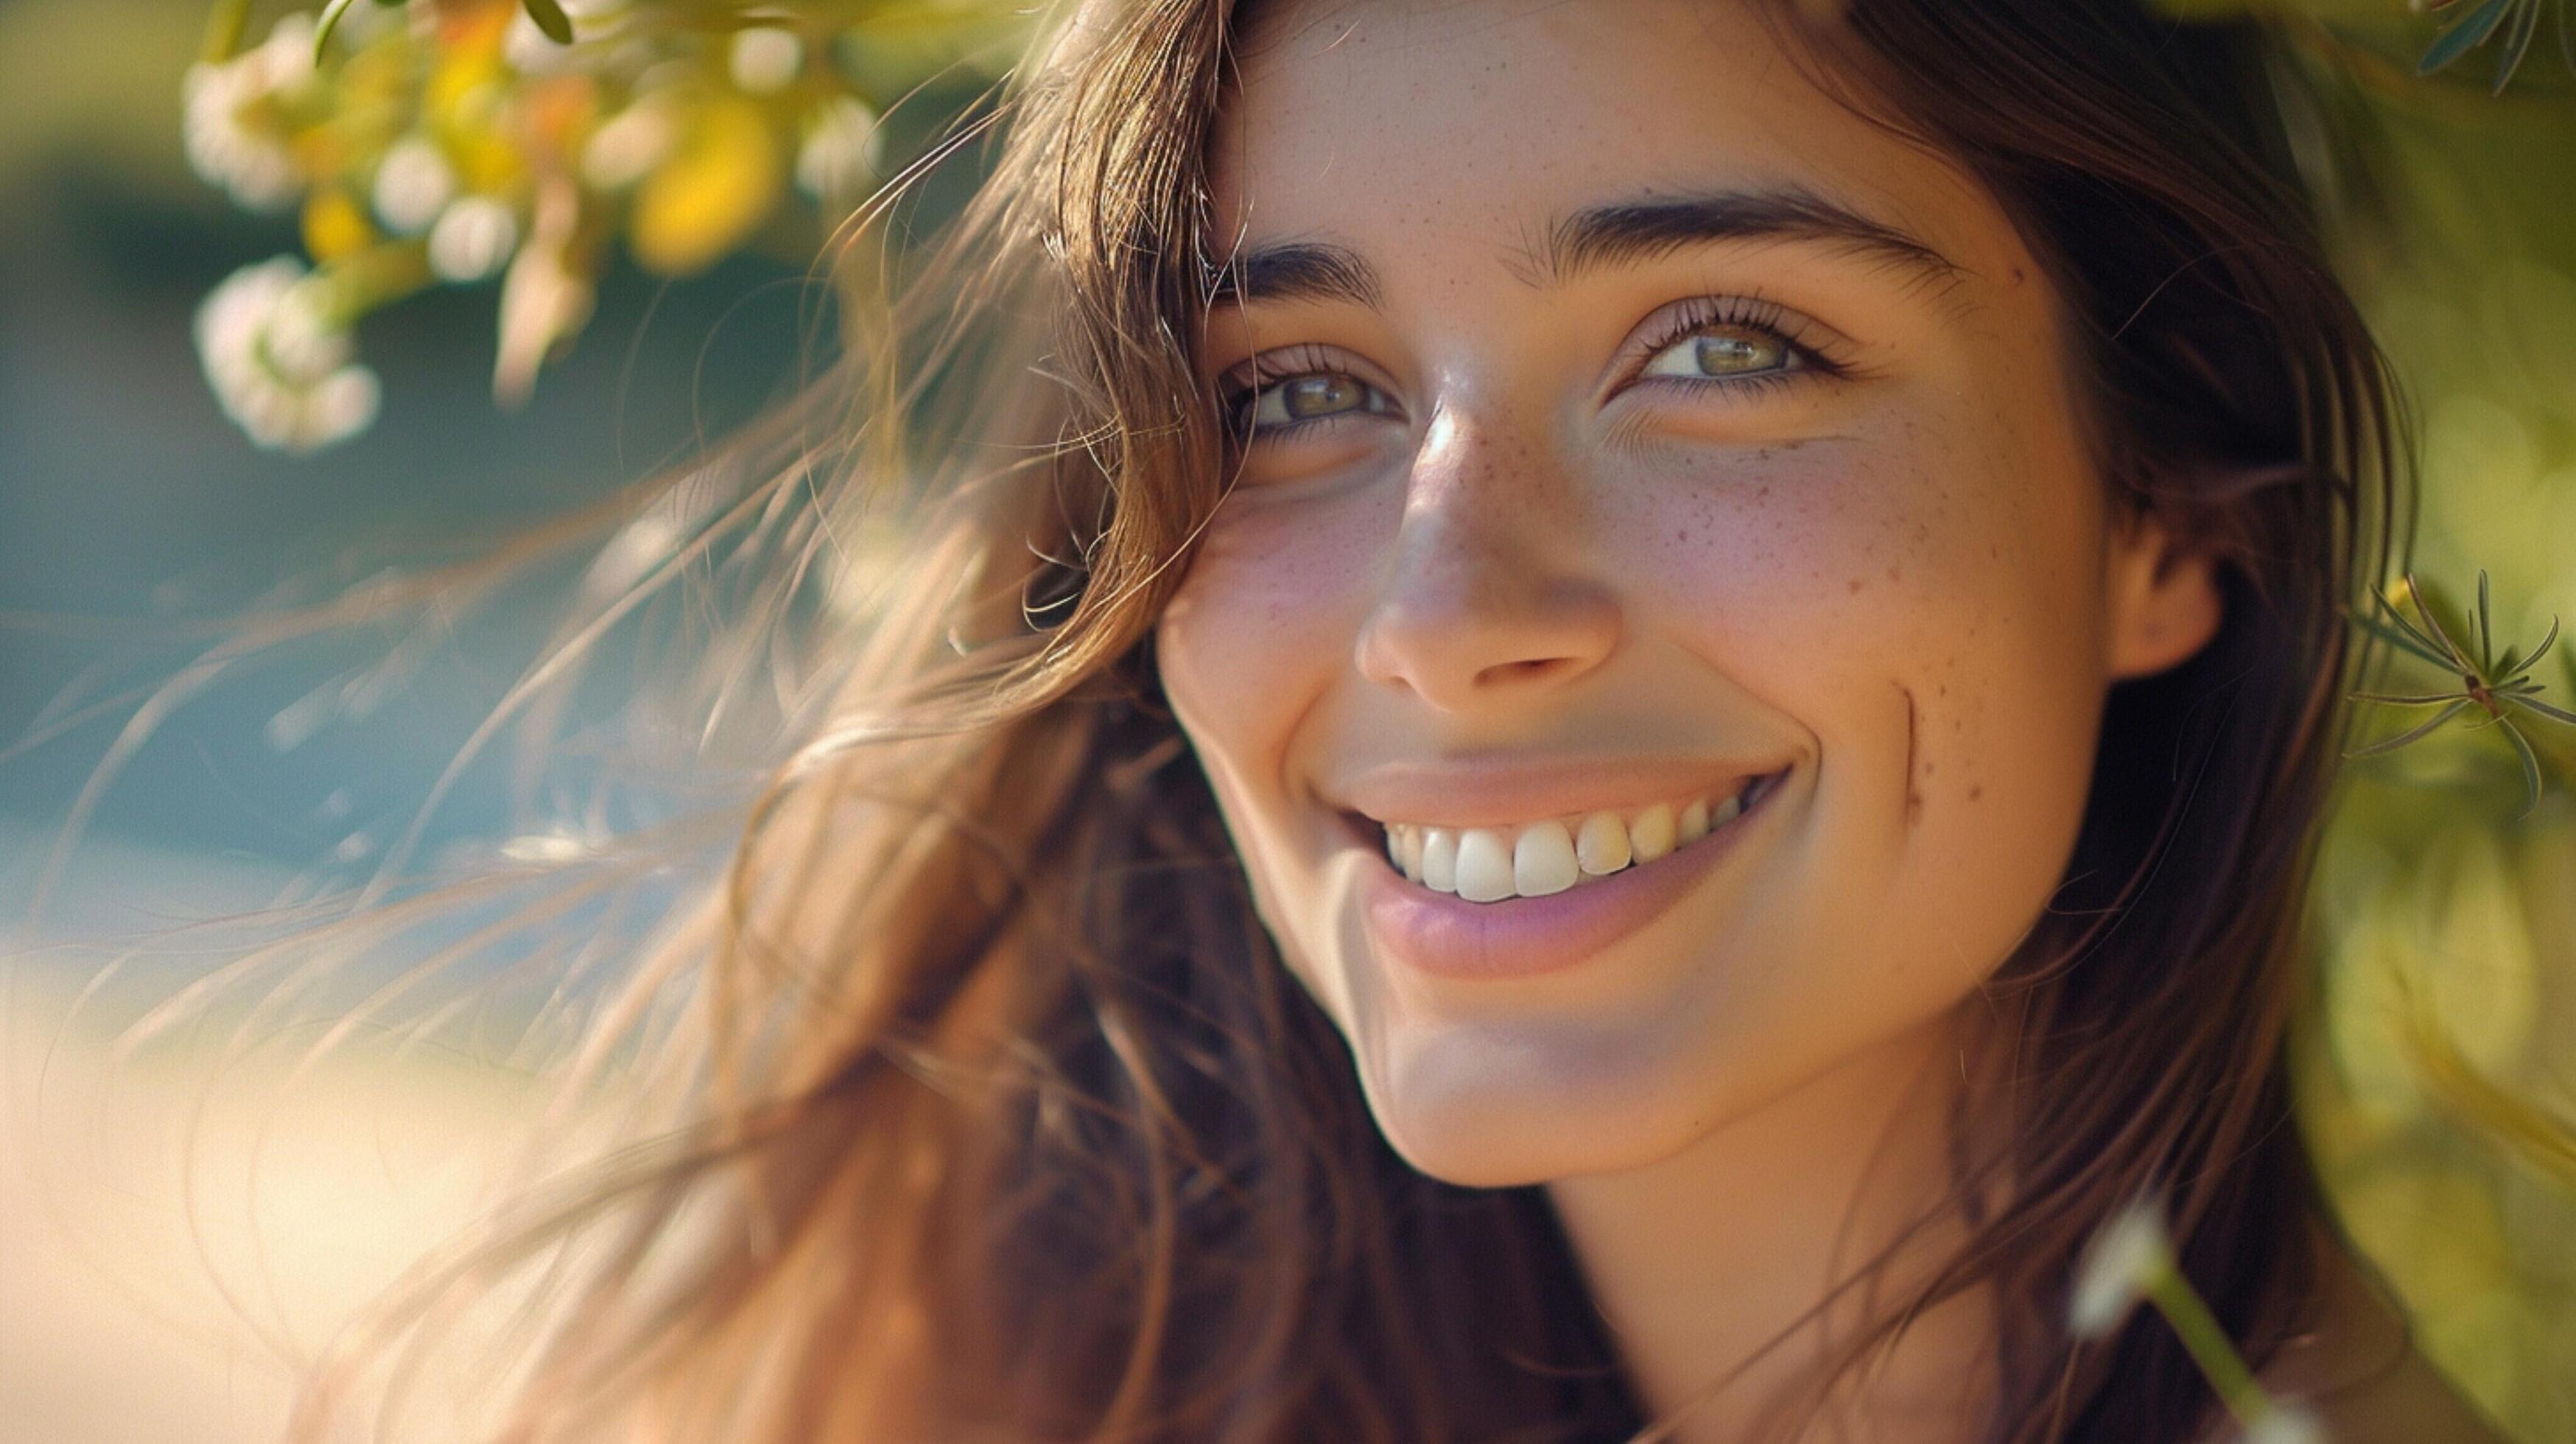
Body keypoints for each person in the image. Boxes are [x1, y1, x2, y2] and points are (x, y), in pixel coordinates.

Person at [286, 1, 2505, 1439]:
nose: (1445, 622)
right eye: (1295, 395)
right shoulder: (1033, 1363)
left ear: (2167, 512)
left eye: (1724, 348)